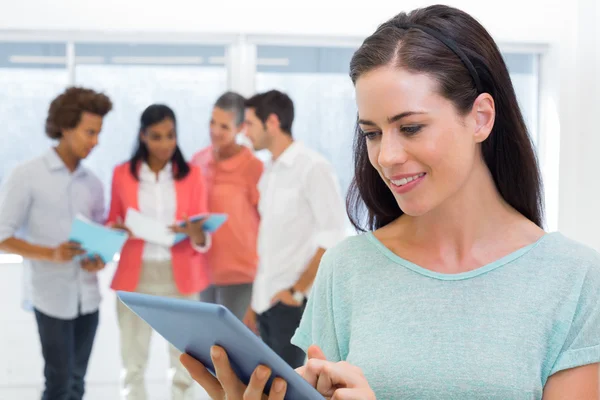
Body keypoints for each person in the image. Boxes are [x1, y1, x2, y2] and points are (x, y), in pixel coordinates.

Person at [180, 5, 600, 400]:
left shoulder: (574, 279)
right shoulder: (346, 270)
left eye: (411, 127)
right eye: (373, 133)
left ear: (481, 117)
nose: (386, 157)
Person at [0, 87, 112, 400]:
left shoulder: (93, 183)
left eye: (99, 133)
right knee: (58, 383)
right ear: (65, 127)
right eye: (89, 132)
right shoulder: (28, 175)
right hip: (50, 299)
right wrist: (51, 253)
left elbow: (98, 233)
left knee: (77, 383)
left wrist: (99, 256)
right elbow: (2, 236)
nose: (95, 141)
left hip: (88, 298)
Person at [107, 104, 212, 400]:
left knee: (184, 365)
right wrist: (116, 229)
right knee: (133, 362)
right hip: (135, 278)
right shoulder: (121, 175)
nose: (165, 144)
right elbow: (112, 220)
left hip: (179, 279)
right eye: (156, 136)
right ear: (142, 136)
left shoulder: (192, 175)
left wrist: (196, 234)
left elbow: (202, 233)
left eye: (170, 135)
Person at [240, 90, 347, 368]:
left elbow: (333, 237)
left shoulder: (313, 167)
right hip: (267, 302)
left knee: (291, 389)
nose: (244, 131)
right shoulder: (270, 171)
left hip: (293, 304)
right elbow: (271, 241)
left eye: (249, 123)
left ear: (272, 122)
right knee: (267, 388)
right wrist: (256, 302)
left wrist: (297, 293)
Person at [191, 92, 263, 320]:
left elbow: (267, 222)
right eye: (213, 122)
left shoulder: (254, 167)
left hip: (240, 275)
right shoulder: (197, 162)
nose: (215, 131)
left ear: (241, 128)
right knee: (206, 349)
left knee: (235, 349)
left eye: (224, 126)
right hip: (203, 273)